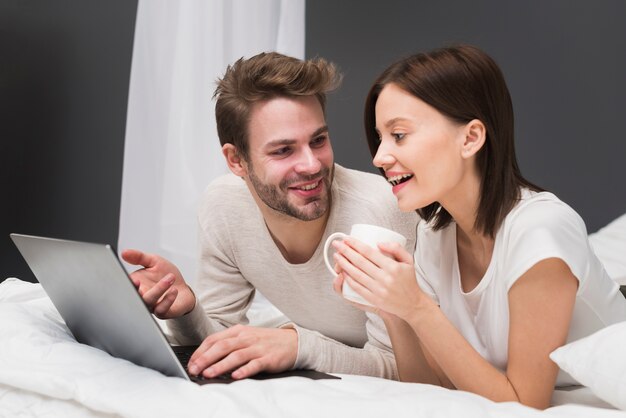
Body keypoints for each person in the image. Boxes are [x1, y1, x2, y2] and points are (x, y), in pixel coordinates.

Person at [330, 45, 626, 409]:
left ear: (471, 138)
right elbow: (433, 386)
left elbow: (525, 405)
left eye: (400, 135)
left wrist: (420, 307)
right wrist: (394, 311)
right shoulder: (436, 236)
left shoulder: (541, 231)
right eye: (380, 138)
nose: (379, 157)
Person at [122, 52, 418, 380]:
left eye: (318, 140)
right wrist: (184, 309)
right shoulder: (224, 207)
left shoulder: (378, 211)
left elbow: (401, 367)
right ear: (236, 160)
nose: (312, 165)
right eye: (283, 150)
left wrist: (298, 346)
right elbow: (220, 335)